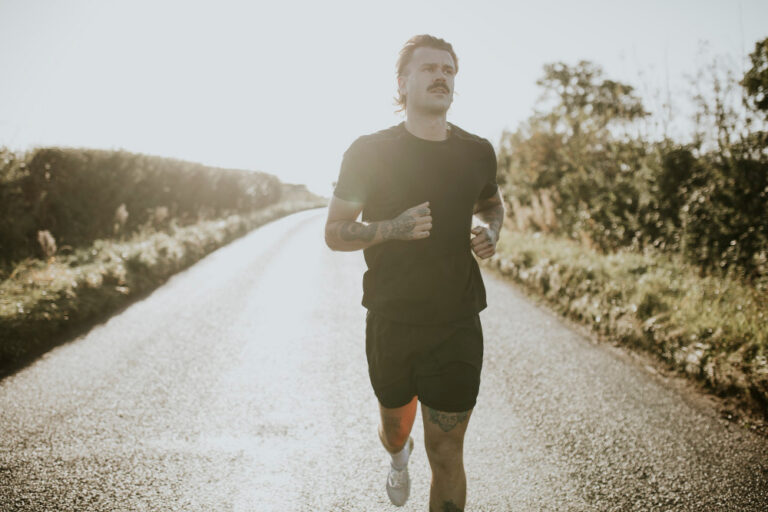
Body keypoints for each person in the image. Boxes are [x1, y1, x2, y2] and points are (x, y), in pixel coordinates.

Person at [324, 34, 504, 512]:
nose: (441, 76)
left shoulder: (477, 151)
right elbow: (335, 232)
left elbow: (490, 201)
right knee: (395, 429)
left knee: (446, 449)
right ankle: (397, 457)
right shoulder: (368, 152)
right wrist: (392, 228)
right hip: (392, 320)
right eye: (429, 69)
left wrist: (490, 228)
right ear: (403, 83)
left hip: (456, 322)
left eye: (448, 70)